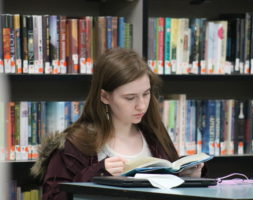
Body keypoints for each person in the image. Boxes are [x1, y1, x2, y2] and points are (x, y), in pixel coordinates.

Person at [31, 48, 207, 200]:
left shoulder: (154, 134)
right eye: (130, 98)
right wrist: (97, 174)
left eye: (146, 94)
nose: (142, 105)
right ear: (104, 97)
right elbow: (53, 197)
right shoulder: (74, 145)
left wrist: (185, 177)